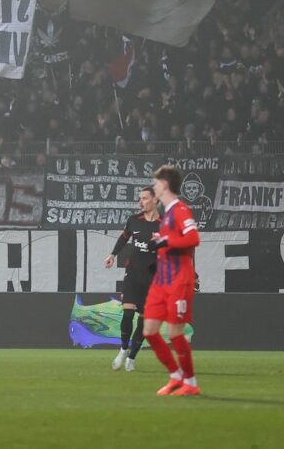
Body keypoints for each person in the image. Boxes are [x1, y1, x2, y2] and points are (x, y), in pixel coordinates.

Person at [142, 165, 200, 397]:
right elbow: (172, 239)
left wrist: (166, 241)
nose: (154, 187)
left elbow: (193, 238)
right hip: (161, 281)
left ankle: (191, 382)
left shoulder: (180, 210)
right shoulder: (167, 216)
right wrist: (162, 239)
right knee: (149, 331)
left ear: (164, 185)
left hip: (178, 280)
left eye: (156, 184)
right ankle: (176, 376)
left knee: (175, 333)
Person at [103, 187, 160, 372]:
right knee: (127, 314)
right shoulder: (134, 220)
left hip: (153, 279)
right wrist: (112, 254)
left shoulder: (165, 225)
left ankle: (132, 357)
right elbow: (124, 237)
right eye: (140, 198)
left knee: (144, 321)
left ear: (155, 200)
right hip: (132, 274)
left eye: (144, 198)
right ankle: (123, 349)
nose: (140, 202)